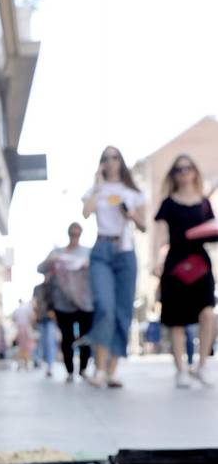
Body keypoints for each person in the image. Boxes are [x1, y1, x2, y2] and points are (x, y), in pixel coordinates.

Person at [81, 146, 146, 388]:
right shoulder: (96, 190)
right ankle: (98, 368)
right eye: (105, 158)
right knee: (105, 307)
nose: (110, 161)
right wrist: (97, 185)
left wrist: (131, 215)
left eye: (115, 157)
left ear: (121, 161)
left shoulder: (132, 192)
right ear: (101, 163)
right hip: (102, 249)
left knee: (122, 312)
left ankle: (112, 370)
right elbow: (86, 213)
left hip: (126, 251)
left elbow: (144, 225)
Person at [154, 155, 215, 387]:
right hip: (175, 263)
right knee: (177, 319)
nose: (184, 173)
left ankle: (202, 366)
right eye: (178, 169)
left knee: (207, 313)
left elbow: (212, 227)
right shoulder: (168, 203)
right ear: (173, 174)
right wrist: (156, 259)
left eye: (188, 168)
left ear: (194, 171)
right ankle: (181, 370)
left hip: (200, 262)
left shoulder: (203, 202)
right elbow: (160, 233)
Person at [38, 222, 93, 383]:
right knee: (67, 337)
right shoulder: (57, 252)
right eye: (72, 234)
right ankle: (69, 370)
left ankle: (83, 369)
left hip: (84, 301)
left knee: (85, 337)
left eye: (77, 234)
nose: (74, 237)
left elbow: (96, 271)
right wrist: (51, 261)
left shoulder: (87, 253)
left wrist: (87, 265)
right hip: (62, 302)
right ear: (68, 234)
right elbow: (40, 268)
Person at [32, 282, 57, 377]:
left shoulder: (53, 287)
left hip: (51, 319)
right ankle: (46, 363)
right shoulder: (37, 288)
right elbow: (34, 303)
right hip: (41, 319)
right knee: (43, 342)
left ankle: (50, 366)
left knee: (50, 341)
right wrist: (36, 314)